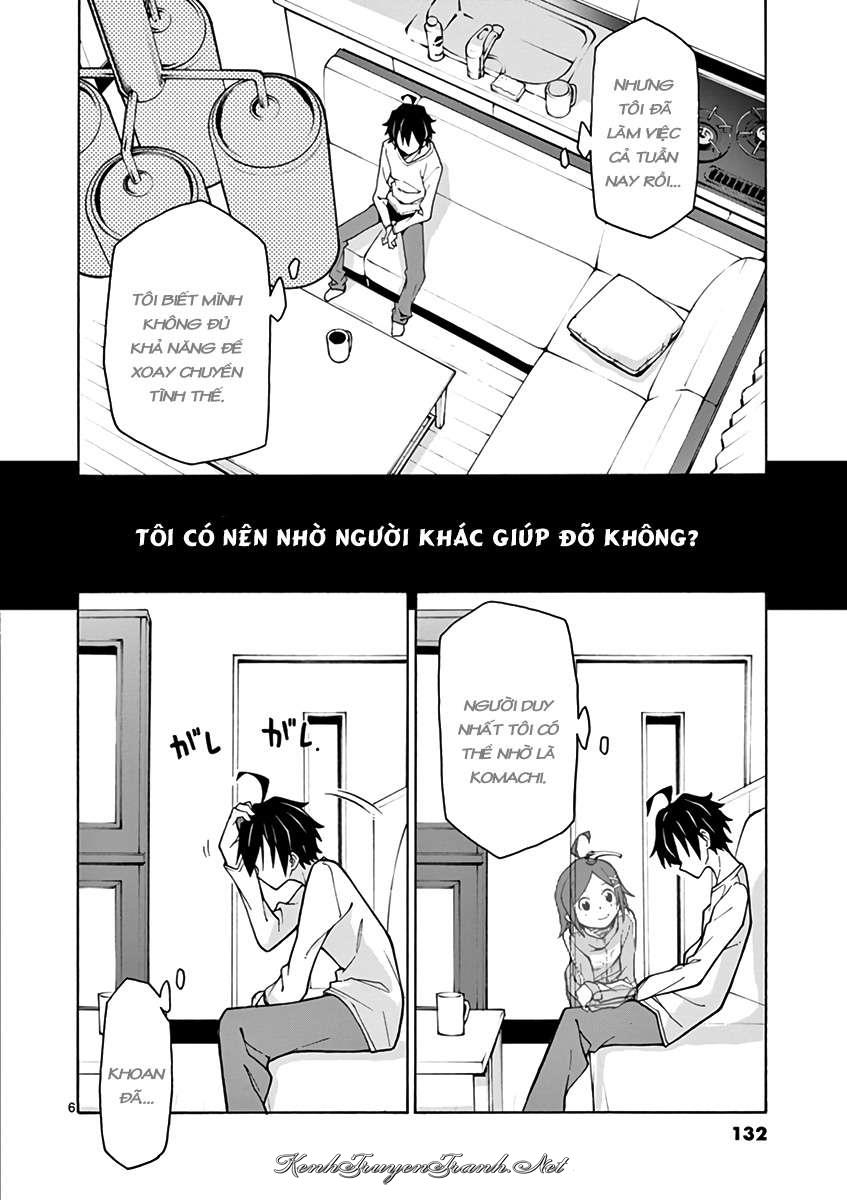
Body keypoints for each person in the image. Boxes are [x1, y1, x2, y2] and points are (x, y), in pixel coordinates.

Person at [523, 788, 751, 1112]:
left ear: (701, 837)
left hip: (678, 1012)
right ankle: (542, 1111)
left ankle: (537, 1115)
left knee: (575, 1023)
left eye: (679, 855)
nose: (681, 867)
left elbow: (699, 971)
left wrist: (648, 987)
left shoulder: (734, 895)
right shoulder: (724, 889)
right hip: (673, 1003)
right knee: (577, 1017)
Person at [217, 772, 403, 1113]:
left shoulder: (324, 879)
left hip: (368, 1011)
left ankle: (244, 1132)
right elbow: (268, 933)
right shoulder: (311, 889)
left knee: (235, 1026)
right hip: (356, 1004)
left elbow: (294, 984)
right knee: (242, 1026)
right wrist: (235, 868)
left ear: (287, 858)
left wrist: (264, 1000)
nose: (257, 871)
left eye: (260, 863)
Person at [325, 94, 442, 338]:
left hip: (412, 216)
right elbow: (379, 194)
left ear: (423, 138)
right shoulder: (388, 148)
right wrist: (388, 226)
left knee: (417, 274)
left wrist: (398, 229)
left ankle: (400, 314)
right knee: (336, 236)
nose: (404, 149)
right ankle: (337, 281)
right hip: (388, 206)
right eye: (400, 141)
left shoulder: (433, 164)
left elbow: (426, 212)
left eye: (411, 143)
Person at [554, 832, 637, 1010]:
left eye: (608, 896)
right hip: (584, 994)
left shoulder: (626, 922)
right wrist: (595, 991)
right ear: (569, 913)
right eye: (585, 905)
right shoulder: (574, 935)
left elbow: (630, 983)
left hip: (616, 992)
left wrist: (597, 990)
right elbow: (585, 988)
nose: (600, 909)